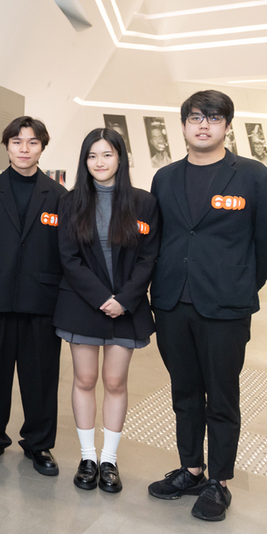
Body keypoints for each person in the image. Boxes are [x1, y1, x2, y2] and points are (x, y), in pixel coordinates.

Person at [148, 90, 267, 521]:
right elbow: (158, 237)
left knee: (222, 397)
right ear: (183, 126)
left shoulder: (252, 175)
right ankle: (191, 469)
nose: (203, 125)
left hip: (225, 308)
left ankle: (219, 481)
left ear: (227, 125)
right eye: (195, 117)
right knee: (184, 391)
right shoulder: (165, 178)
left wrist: (242, 281)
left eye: (212, 118)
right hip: (172, 303)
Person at [54, 128, 159, 493]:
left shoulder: (144, 203)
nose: (99, 162)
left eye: (107, 154)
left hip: (127, 306)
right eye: (92, 156)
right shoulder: (70, 202)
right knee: (84, 380)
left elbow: (149, 257)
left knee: (115, 382)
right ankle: (87, 457)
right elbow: (68, 258)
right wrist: (102, 298)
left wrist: (124, 299)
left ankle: (109, 460)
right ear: (84, 161)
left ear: (120, 158)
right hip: (83, 303)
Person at [0, 116, 67, 476]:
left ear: (42, 147)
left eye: (32, 142)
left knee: (41, 377)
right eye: (17, 142)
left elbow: (66, 251)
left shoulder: (59, 196)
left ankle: (39, 444)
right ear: (7, 146)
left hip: (42, 299)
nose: (24, 149)